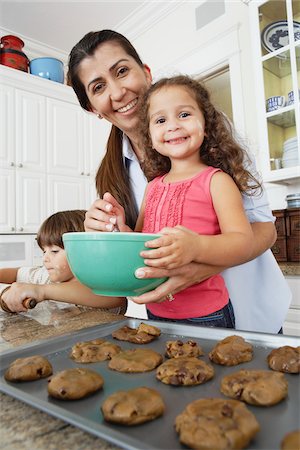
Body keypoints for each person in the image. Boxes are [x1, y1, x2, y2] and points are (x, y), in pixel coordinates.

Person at [3, 30, 291, 332]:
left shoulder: (216, 142)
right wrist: (108, 237)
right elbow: (136, 253)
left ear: (147, 72)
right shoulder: (112, 174)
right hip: (168, 320)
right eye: (99, 87)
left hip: (251, 315)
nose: (117, 93)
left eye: (122, 71)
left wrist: (198, 265)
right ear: (92, 108)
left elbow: (264, 231)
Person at [0, 210, 126, 314]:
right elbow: (16, 273)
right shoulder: (46, 277)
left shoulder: (102, 286)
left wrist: (41, 291)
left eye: (54, 251)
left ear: (86, 252)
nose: (45, 258)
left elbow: (115, 299)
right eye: (44, 251)